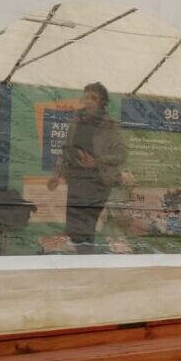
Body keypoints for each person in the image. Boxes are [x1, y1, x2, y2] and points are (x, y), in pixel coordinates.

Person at [47, 82, 125, 252]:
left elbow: (121, 155)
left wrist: (97, 161)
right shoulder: (76, 119)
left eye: (94, 98)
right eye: (86, 97)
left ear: (102, 102)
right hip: (76, 179)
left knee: (86, 227)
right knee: (73, 226)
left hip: (98, 183)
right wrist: (56, 174)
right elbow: (66, 148)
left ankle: (86, 261)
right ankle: (79, 262)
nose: (89, 101)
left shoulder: (110, 125)